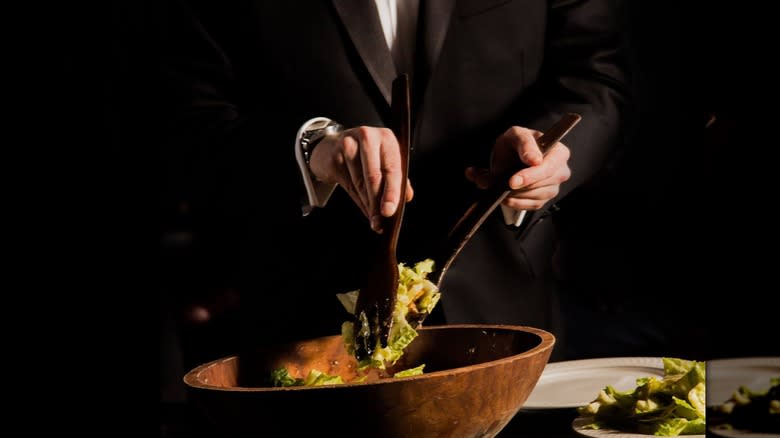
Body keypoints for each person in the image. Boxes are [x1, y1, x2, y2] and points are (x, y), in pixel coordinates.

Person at [161, 0, 629, 357]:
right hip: (301, 326)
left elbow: (595, 76)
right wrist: (312, 151)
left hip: (508, 310)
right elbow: (180, 119)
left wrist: (544, 154)